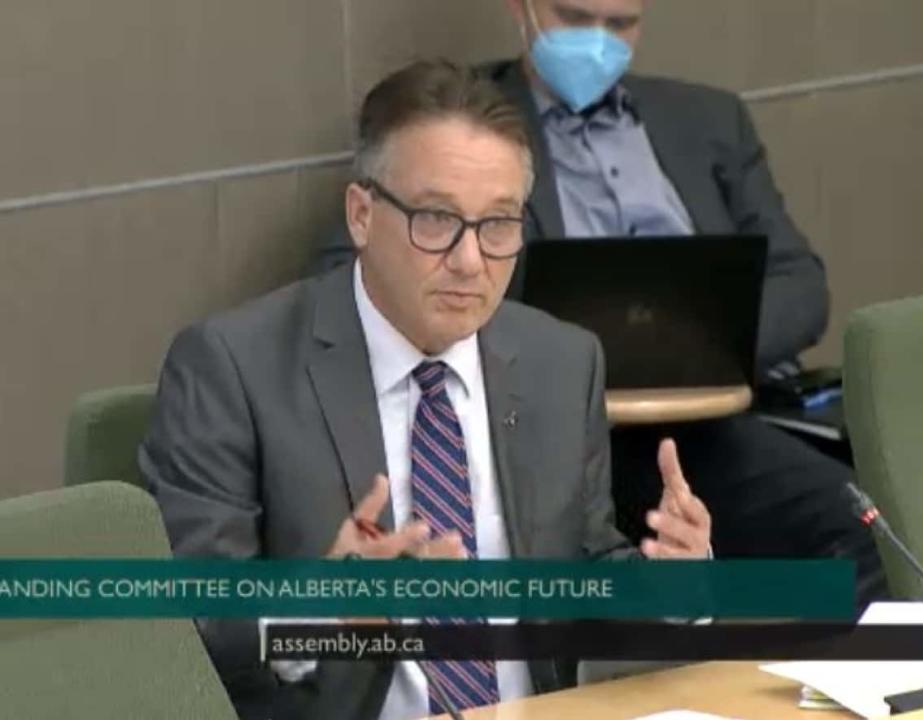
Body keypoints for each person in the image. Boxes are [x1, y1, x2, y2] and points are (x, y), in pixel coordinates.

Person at [139, 60, 711, 720]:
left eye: (499, 224)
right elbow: (199, 628)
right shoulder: (234, 368)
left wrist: (671, 581)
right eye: (436, 219)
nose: (470, 261)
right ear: (361, 214)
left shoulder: (561, 360)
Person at [315, 1, 886, 605]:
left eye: (620, 24)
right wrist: (555, 359)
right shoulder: (461, 131)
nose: (597, 40)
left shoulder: (707, 119)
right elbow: (355, 270)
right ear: (523, 8)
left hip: (701, 424)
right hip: (538, 427)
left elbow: (801, 285)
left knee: (861, 529)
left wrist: (698, 347)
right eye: (576, 17)